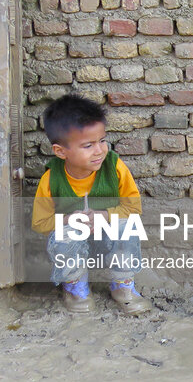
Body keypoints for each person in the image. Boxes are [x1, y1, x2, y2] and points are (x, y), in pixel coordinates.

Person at [31, 93, 151, 315]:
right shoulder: (51, 179)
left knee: (127, 226)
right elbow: (40, 223)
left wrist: (104, 216)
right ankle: (76, 288)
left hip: (107, 240)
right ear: (60, 151)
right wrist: (70, 220)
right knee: (63, 235)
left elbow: (134, 209)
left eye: (102, 141)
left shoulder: (114, 167)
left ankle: (123, 287)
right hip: (75, 245)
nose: (99, 150)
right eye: (88, 145)